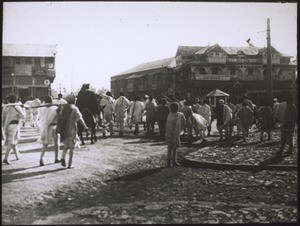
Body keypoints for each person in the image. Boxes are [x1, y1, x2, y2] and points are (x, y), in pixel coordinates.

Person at [56, 94, 88, 168]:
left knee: (66, 145)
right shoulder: (74, 108)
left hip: (64, 130)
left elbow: (59, 118)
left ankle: (63, 157)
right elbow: (80, 119)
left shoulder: (64, 108)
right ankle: (70, 164)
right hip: (72, 129)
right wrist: (85, 127)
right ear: (74, 101)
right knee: (71, 148)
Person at [2, 95, 26, 164]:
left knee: (13, 141)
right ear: (15, 100)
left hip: (7, 125)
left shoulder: (5, 107)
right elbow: (23, 116)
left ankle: (17, 156)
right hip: (14, 125)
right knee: (11, 142)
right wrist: (23, 109)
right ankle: (6, 158)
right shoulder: (17, 107)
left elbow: (3, 117)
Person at [37, 96, 60, 166]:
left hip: (45, 127)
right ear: (51, 101)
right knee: (56, 143)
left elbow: (40, 119)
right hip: (53, 127)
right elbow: (58, 118)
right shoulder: (55, 108)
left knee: (45, 144)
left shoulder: (42, 109)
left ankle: (41, 158)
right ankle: (56, 158)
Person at [166, 102, 186, 167]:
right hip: (176, 132)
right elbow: (184, 122)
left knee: (169, 147)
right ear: (177, 108)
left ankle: (168, 162)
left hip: (169, 132)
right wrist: (181, 129)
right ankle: (174, 161)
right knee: (175, 148)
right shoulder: (180, 115)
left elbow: (167, 124)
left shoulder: (169, 115)